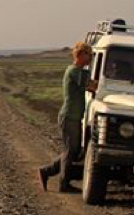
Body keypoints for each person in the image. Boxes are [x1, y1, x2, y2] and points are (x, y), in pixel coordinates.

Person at [39, 42, 97, 192]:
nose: (90, 58)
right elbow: (92, 86)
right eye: (88, 54)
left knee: (72, 150)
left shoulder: (77, 71)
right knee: (71, 150)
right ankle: (63, 183)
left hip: (73, 116)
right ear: (80, 55)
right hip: (70, 116)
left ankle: (47, 171)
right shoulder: (75, 71)